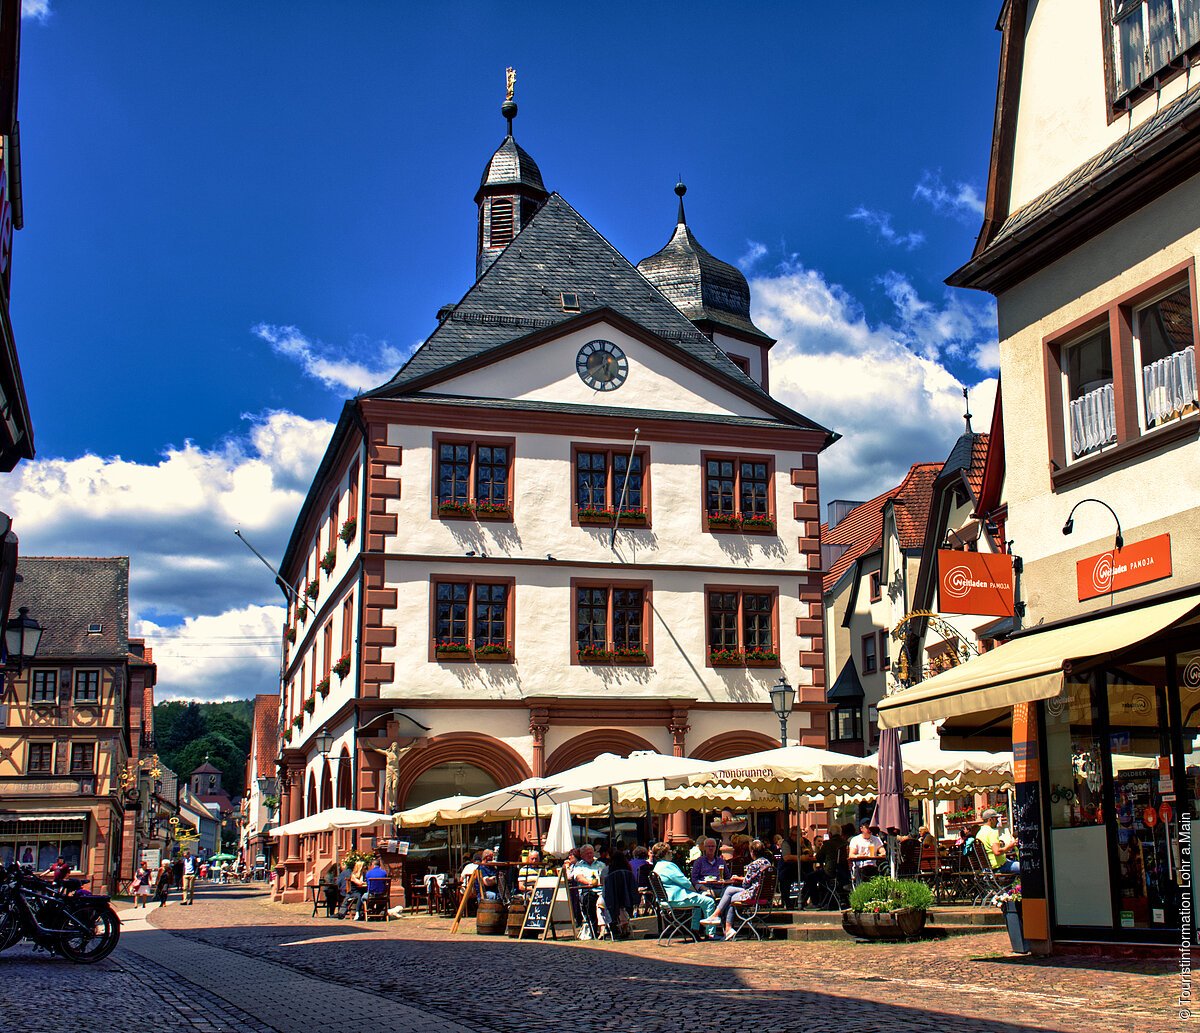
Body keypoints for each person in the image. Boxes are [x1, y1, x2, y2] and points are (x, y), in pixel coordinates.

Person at [700, 839, 775, 941]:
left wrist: (738, 879)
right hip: (763, 894)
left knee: (729, 896)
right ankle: (725, 927)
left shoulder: (753, 865)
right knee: (729, 891)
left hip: (753, 894)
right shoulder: (767, 863)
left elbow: (745, 884)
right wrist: (740, 878)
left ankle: (720, 920)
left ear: (752, 852)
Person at [650, 841, 716, 933]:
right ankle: (710, 933)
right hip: (676, 899)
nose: (672, 854)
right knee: (709, 901)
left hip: (666, 899)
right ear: (665, 854)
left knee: (698, 903)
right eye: (670, 852)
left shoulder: (657, 866)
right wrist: (696, 891)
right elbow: (684, 882)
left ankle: (695, 930)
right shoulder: (668, 866)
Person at [571, 845, 608, 935]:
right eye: (587, 853)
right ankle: (594, 928)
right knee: (590, 900)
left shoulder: (600, 864)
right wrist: (589, 883)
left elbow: (606, 876)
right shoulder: (579, 866)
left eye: (591, 852)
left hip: (601, 890)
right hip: (587, 890)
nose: (589, 855)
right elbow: (579, 877)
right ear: (582, 855)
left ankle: (611, 926)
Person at [976, 809, 1020, 873]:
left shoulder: (979, 833)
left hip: (987, 867)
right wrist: (1010, 846)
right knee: (1024, 866)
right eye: (996, 818)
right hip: (998, 866)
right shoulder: (992, 832)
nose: (997, 821)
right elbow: (997, 852)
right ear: (990, 819)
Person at [848, 821, 884, 886]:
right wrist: (859, 856)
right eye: (867, 827)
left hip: (873, 867)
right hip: (860, 867)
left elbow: (882, 851)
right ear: (861, 829)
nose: (869, 830)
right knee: (863, 871)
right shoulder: (855, 839)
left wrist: (882, 853)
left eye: (870, 827)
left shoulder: (876, 839)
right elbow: (851, 855)